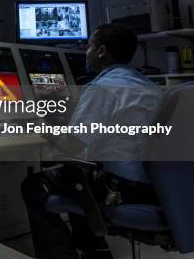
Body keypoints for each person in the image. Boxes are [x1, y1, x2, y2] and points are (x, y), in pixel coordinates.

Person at [21, 23, 163, 259]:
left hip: (122, 189)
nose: (85, 52)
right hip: (157, 188)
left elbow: (73, 147)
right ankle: (95, 251)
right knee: (78, 175)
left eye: (88, 46)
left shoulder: (102, 89)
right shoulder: (150, 87)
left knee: (35, 186)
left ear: (101, 51)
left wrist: (44, 129)